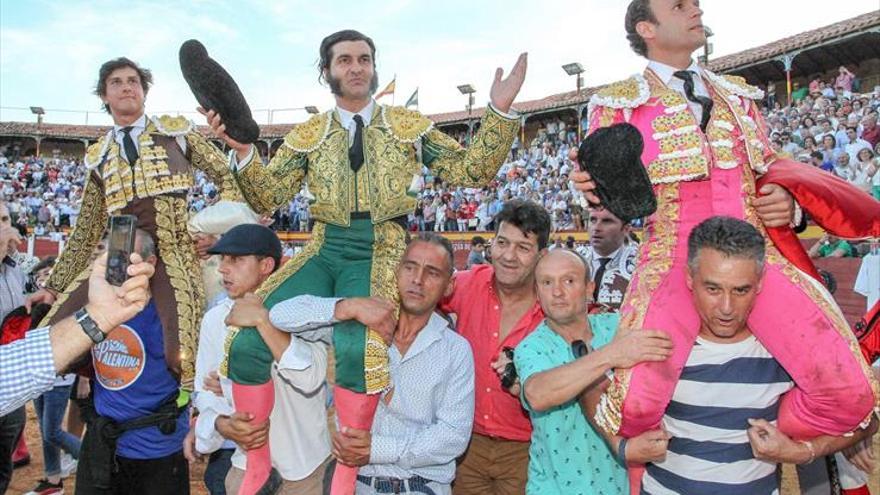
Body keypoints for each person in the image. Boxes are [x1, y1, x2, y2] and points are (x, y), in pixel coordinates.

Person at [204, 29, 524, 494]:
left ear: (373, 67)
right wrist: (246, 153)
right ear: (327, 71)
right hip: (324, 244)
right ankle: (257, 462)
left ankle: (348, 473)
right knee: (248, 331)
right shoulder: (309, 135)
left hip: (383, 244)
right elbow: (268, 194)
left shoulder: (406, 126)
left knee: (361, 347)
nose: (356, 67)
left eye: (364, 59)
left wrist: (499, 111)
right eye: (345, 60)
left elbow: (471, 172)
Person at [573, 0, 876, 450]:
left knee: (851, 395)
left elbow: (772, 169)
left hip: (756, 257)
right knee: (635, 408)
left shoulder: (739, 95)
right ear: (646, 28)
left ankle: (742, 432)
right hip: (673, 259)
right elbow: (613, 192)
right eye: (679, 5)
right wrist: (592, 187)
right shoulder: (616, 103)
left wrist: (789, 205)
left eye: (695, 3)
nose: (696, 9)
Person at [27, 57, 246, 389]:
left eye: (133, 81)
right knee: (52, 335)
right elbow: (86, 230)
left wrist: (215, 230)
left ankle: (193, 418)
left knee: (182, 353)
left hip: (175, 246)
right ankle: (95, 388)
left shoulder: (178, 133)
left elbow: (229, 179)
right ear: (104, 96)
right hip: (119, 247)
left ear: (144, 92)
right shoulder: (98, 155)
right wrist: (53, 286)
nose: (126, 86)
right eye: (116, 82)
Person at [628, 216, 876, 494]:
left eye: (740, 290)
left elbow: (866, 420)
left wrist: (801, 451)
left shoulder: (786, 351)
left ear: (759, 284)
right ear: (689, 278)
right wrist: (623, 448)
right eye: (713, 288)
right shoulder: (656, 343)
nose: (726, 307)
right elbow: (601, 400)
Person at [273, 234, 474, 495]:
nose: (417, 279)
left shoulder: (456, 350)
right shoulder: (356, 327)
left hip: (422, 488)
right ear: (396, 270)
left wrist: (376, 449)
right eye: (410, 267)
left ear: (449, 286)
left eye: (432, 272)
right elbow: (279, 315)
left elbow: (453, 437)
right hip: (359, 486)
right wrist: (347, 306)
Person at [188, 223, 334, 495]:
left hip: (305, 470)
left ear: (266, 265)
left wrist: (263, 322)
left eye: (236, 260)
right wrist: (222, 424)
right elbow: (205, 394)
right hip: (245, 466)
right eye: (222, 260)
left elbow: (312, 378)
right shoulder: (216, 319)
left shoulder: (302, 309)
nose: (223, 268)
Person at [514, 249, 673, 494]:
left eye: (569, 280)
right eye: (547, 282)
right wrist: (612, 355)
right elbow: (538, 394)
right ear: (537, 293)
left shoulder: (619, 327)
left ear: (590, 289)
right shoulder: (531, 347)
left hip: (618, 487)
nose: (557, 292)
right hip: (553, 489)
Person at [440, 200, 551, 495]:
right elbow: (421, 293)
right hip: (466, 447)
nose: (509, 256)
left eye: (523, 248)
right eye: (502, 243)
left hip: (527, 450)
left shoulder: (554, 305)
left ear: (542, 255)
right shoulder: (467, 283)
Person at [75, 229, 192, 495]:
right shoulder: (96, 304)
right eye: (111, 254)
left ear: (150, 264)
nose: (115, 264)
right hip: (103, 447)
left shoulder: (170, 315)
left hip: (157, 453)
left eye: (126, 257)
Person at [0, 200, 29, 492]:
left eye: (6, 219)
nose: (5, 227)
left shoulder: (15, 270)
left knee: (4, 463)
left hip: (9, 382)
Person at [579, 207, 638, 313]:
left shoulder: (639, 264)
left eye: (607, 221)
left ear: (625, 229)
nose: (596, 227)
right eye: (593, 220)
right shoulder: (573, 259)